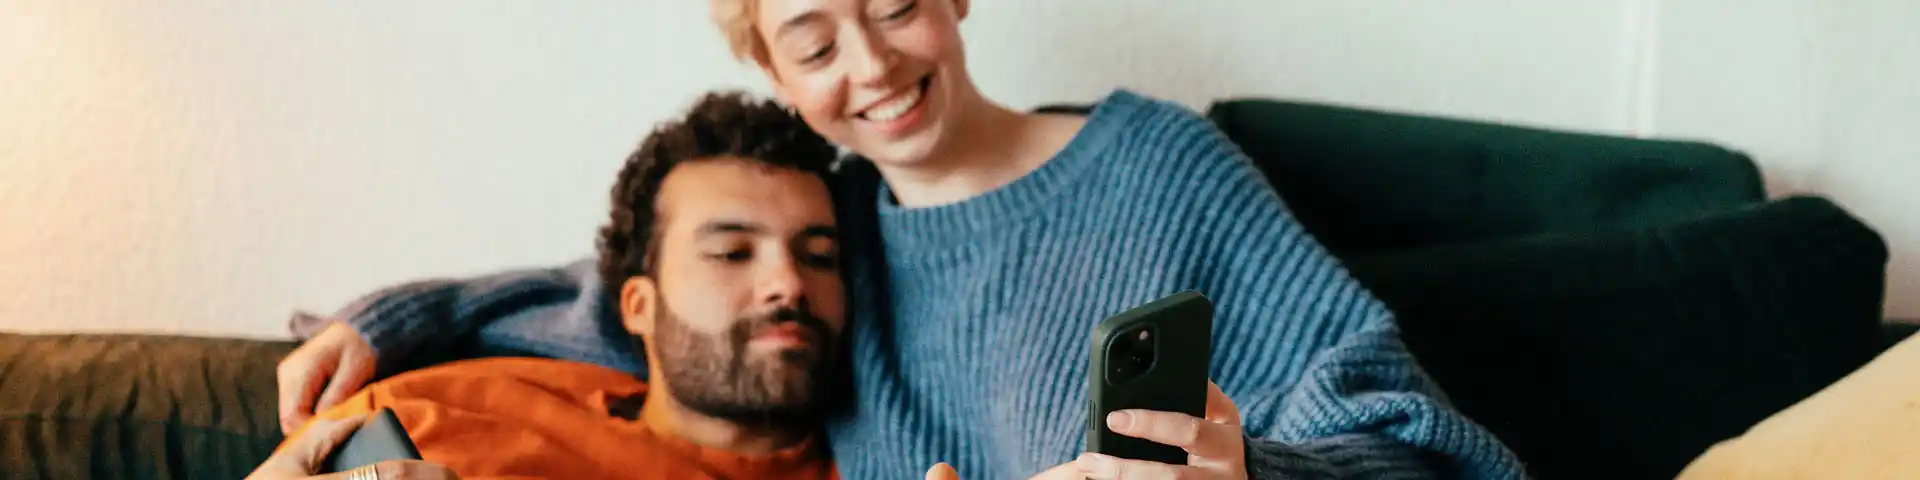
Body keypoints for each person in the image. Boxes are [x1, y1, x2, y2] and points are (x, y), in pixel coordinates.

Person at [280, 1, 1529, 478]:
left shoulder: (1154, 164)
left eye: (896, 8)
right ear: (767, 61)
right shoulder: (823, 246)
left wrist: (1252, 477)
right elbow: (603, 295)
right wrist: (380, 323)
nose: (873, 68)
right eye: (816, 42)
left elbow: (1400, 421)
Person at [253, 92, 843, 480]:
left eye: (820, 257)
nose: (789, 283)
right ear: (637, 305)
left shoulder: (884, 461)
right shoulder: (427, 414)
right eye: (731, 253)